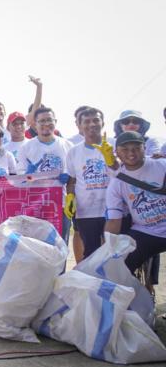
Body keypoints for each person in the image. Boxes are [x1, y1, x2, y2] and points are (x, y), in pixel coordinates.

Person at [104, 131, 166, 289]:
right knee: (119, 267)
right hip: (146, 232)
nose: (131, 153)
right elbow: (113, 221)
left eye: (136, 148)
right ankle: (128, 304)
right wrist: (107, 251)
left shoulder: (162, 165)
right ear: (116, 152)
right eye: (125, 149)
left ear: (145, 148)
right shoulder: (116, 183)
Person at [65, 107, 118, 260]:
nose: (91, 124)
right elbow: (72, 179)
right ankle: (95, 284)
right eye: (86, 121)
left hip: (113, 210)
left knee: (114, 253)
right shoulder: (73, 152)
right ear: (80, 126)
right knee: (91, 253)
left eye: (96, 120)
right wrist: (70, 197)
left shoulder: (114, 145)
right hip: (86, 211)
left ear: (103, 123)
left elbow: (122, 172)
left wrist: (112, 159)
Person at [18, 106, 74, 243]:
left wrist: (68, 177)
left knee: (60, 244)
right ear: (34, 124)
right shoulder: (26, 147)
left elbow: (75, 175)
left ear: (55, 121)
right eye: (41, 121)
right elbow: (19, 180)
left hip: (60, 204)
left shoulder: (68, 145)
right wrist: (27, 174)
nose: (46, 124)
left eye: (49, 120)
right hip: (36, 204)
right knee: (37, 245)